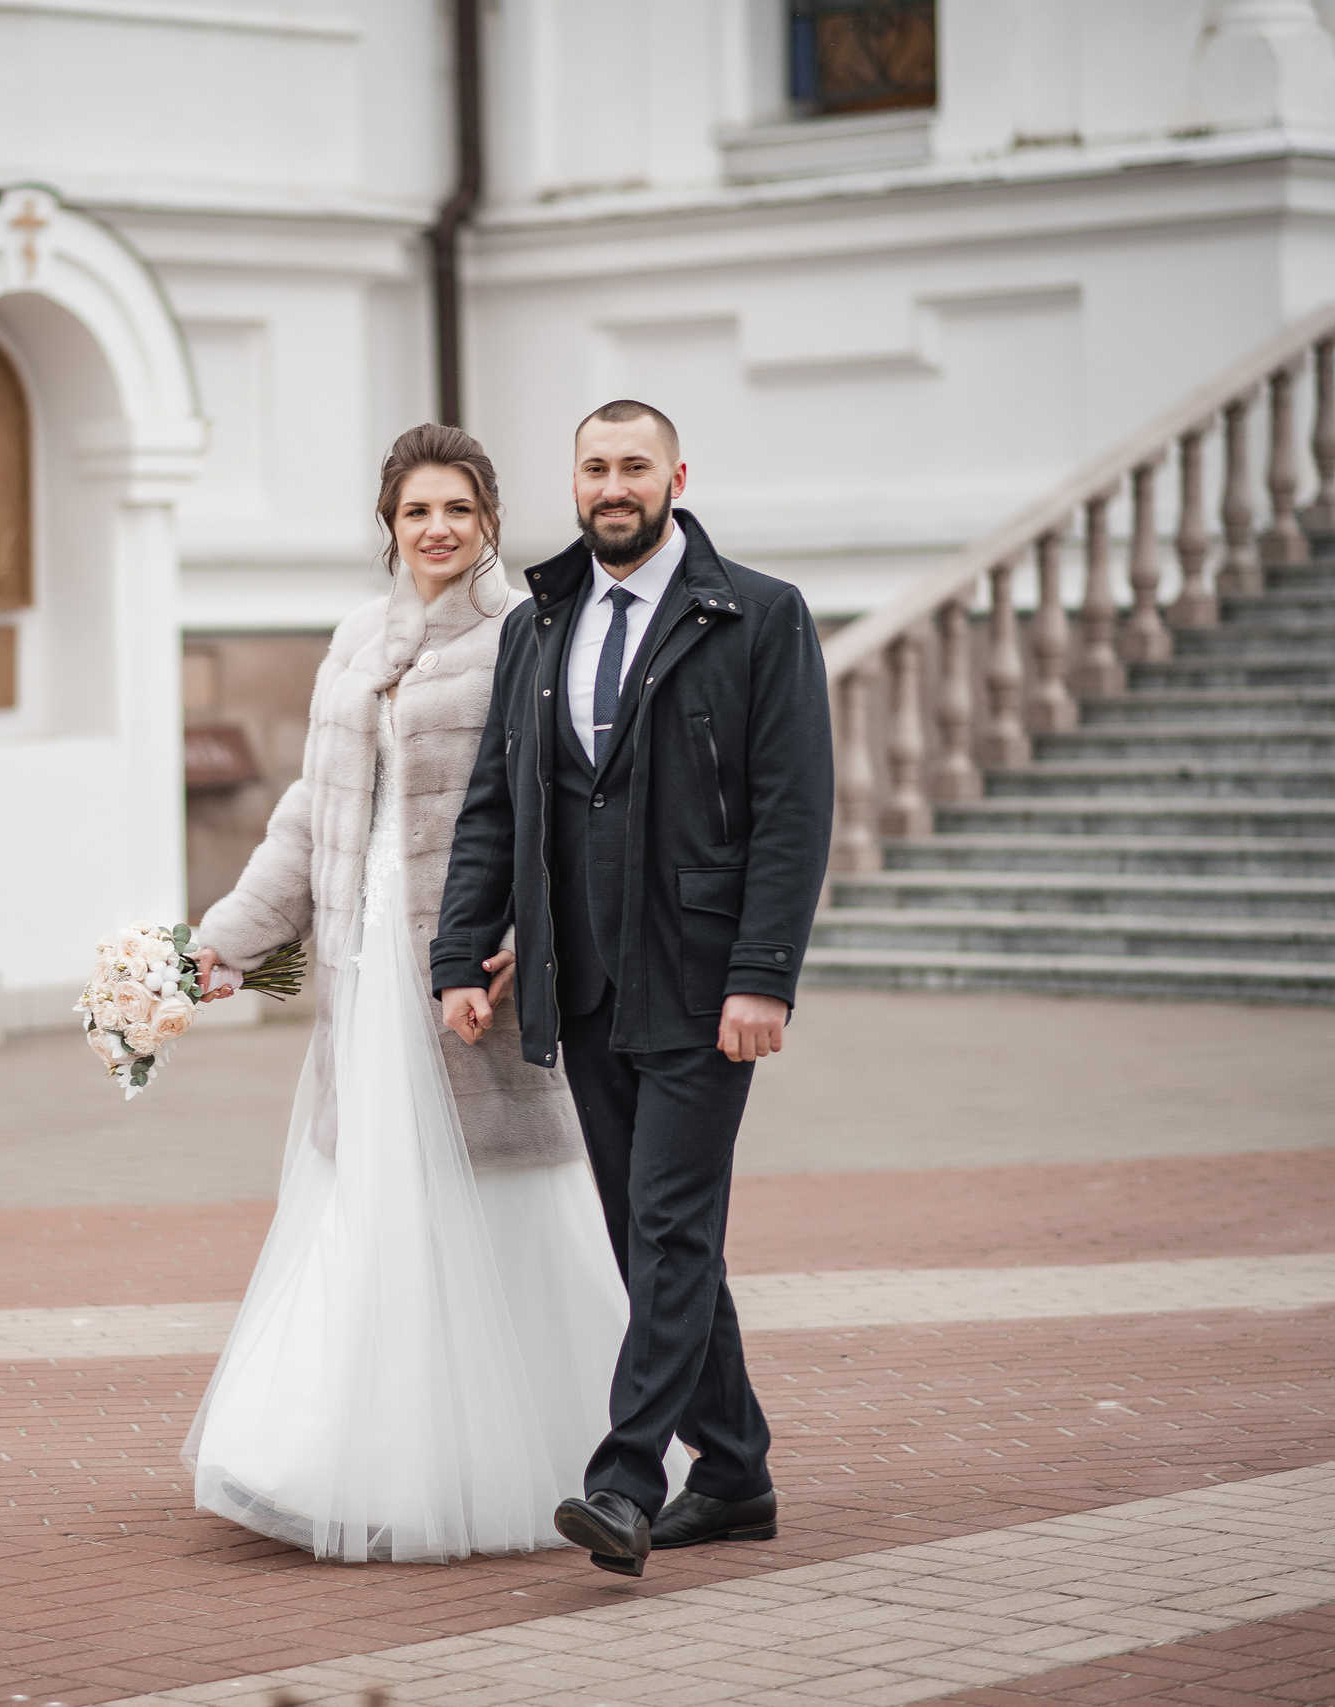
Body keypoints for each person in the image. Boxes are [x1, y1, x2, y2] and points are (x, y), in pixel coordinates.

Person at [181, 422, 684, 1564]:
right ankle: (330, 1452)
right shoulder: (356, 639)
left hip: (467, 975)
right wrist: (223, 946)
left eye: (457, 509)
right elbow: (309, 814)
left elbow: (557, 808)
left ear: (492, 521)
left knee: (489, 1201)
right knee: (365, 1201)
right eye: (416, 511)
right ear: (389, 526)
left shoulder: (528, 634)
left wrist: (515, 937)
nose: (438, 529)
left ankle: (528, 1459)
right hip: (361, 974)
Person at [432, 400, 834, 1578]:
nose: (614, 486)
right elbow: (496, 808)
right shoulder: (538, 625)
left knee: (665, 1225)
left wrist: (762, 976)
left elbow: (793, 816)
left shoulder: (755, 616)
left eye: (634, 468)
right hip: (583, 983)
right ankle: (736, 1470)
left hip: (705, 984)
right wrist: (463, 954)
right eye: (595, 468)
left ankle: (622, 1480)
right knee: (645, 1236)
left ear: (676, 477)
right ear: (574, 483)